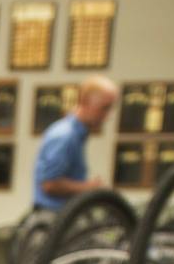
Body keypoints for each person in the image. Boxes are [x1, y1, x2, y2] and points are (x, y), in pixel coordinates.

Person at [32, 77, 119, 211]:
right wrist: (90, 188)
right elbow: (50, 184)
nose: (107, 116)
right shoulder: (64, 136)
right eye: (104, 108)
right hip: (53, 219)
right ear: (84, 101)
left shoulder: (77, 135)